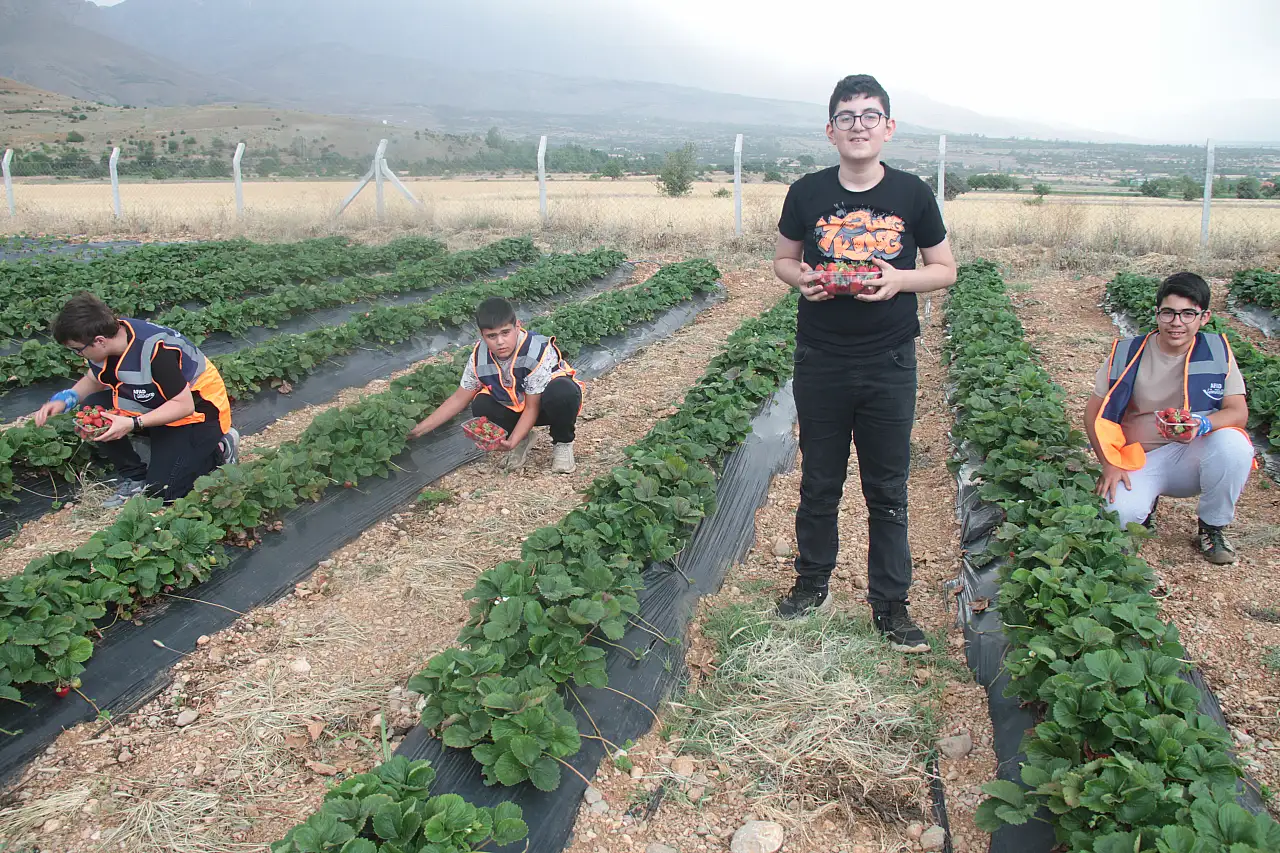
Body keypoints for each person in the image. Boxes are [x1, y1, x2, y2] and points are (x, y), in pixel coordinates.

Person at [771, 74, 957, 652]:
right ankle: (812, 584)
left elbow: (945, 269)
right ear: (831, 130)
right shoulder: (806, 192)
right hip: (821, 357)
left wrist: (899, 280)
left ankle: (891, 605)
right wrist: (803, 279)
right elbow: (783, 259)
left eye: (869, 116)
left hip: (889, 360)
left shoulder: (912, 194)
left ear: (888, 127)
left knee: (887, 487)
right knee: (819, 480)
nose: (858, 126)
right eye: (847, 117)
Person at [1085, 272, 1254, 564]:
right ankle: (1145, 507)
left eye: (1188, 314)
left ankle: (1212, 526)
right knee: (1116, 515)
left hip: (1193, 455)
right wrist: (1108, 462)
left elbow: (1238, 413)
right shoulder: (1126, 353)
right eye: (1169, 313)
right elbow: (1092, 413)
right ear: (1157, 314)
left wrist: (1203, 424)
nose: (1177, 322)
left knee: (1234, 446)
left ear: (1204, 317)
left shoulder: (1217, 352)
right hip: (1138, 457)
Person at [33, 292, 239, 508]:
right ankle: (134, 476)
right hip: (156, 401)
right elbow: (95, 379)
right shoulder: (110, 338)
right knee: (93, 410)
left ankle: (220, 448)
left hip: (198, 412)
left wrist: (133, 423)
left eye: (78, 350)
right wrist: (67, 398)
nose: (79, 355)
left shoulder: (157, 351)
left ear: (99, 341)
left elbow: (184, 405)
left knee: (164, 493)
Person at [407, 296, 581, 474]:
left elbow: (532, 407)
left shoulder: (536, 350)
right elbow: (459, 398)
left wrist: (511, 441)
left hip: (545, 406)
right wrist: (419, 430)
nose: (500, 342)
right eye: (491, 336)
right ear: (482, 335)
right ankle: (523, 440)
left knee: (562, 392)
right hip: (519, 406)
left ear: (517, 326)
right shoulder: (479, 357)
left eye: (505, 333)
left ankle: (563, 442)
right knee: (481, 404)